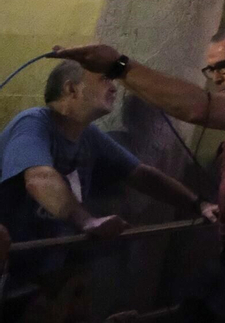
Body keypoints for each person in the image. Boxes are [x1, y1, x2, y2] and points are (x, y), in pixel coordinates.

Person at [53, 23, 225, 323]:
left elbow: (197, 107)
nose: (217, 77)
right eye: (211, 69)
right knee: (195, 305)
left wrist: (119, 66)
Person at [0, 62, 212, 284]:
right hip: (9, 262)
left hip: (42, 267)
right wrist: (87, 221)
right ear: (71, 89)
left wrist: (199, 204)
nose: (114, 87)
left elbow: (142, 175)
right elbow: (39, 178)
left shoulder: (88, 134)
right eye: (105, 79)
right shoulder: (33, 122)